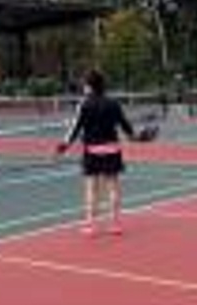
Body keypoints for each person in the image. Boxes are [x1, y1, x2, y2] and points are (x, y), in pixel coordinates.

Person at [56, 70, 141, 237]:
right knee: (113, 187)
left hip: (92, 151)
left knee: (92, 189)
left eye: (85, 85)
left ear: (89, 86)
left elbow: (75, 128)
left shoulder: (84, 104)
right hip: (112, 149)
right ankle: (115, 224)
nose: (83, 88)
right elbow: (125, 125)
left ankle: (90, 226)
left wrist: (64, 145)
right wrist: (134, 136)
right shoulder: (113, 103)